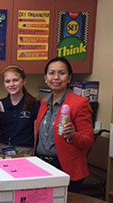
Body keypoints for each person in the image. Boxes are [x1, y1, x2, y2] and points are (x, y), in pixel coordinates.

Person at [35, 57, 94, 193]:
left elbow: (88, 141)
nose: (56, 77)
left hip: (65, 167)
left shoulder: (79, 103)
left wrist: (73, 135)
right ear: (45, 77)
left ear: (69, 78)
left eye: (61, 73)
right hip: (42, 166)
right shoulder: (44, 101)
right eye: (51, 73)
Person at [0, 65, 40, 155]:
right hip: (1, 150)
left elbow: (36, 135)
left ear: (23, 81)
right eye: (7, 81)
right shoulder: (0, 104)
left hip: (24, 151)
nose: (11, 84)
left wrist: (34, 153)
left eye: (15, 80)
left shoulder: (34, 104)